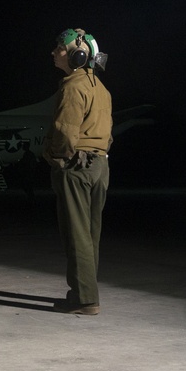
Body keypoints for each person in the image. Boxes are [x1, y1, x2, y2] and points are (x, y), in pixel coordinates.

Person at [42, 28, 112, 315]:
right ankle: (85, 294)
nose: (54, 52)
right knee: (90, 235)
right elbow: (107, 133)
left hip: (77, 167)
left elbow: (65, 135)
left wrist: (54, 157)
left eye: (59, 48)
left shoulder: (72, 86)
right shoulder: (100, 87)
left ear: (77, 55)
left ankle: (84, 300)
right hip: (99, 165)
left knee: (76, 235)